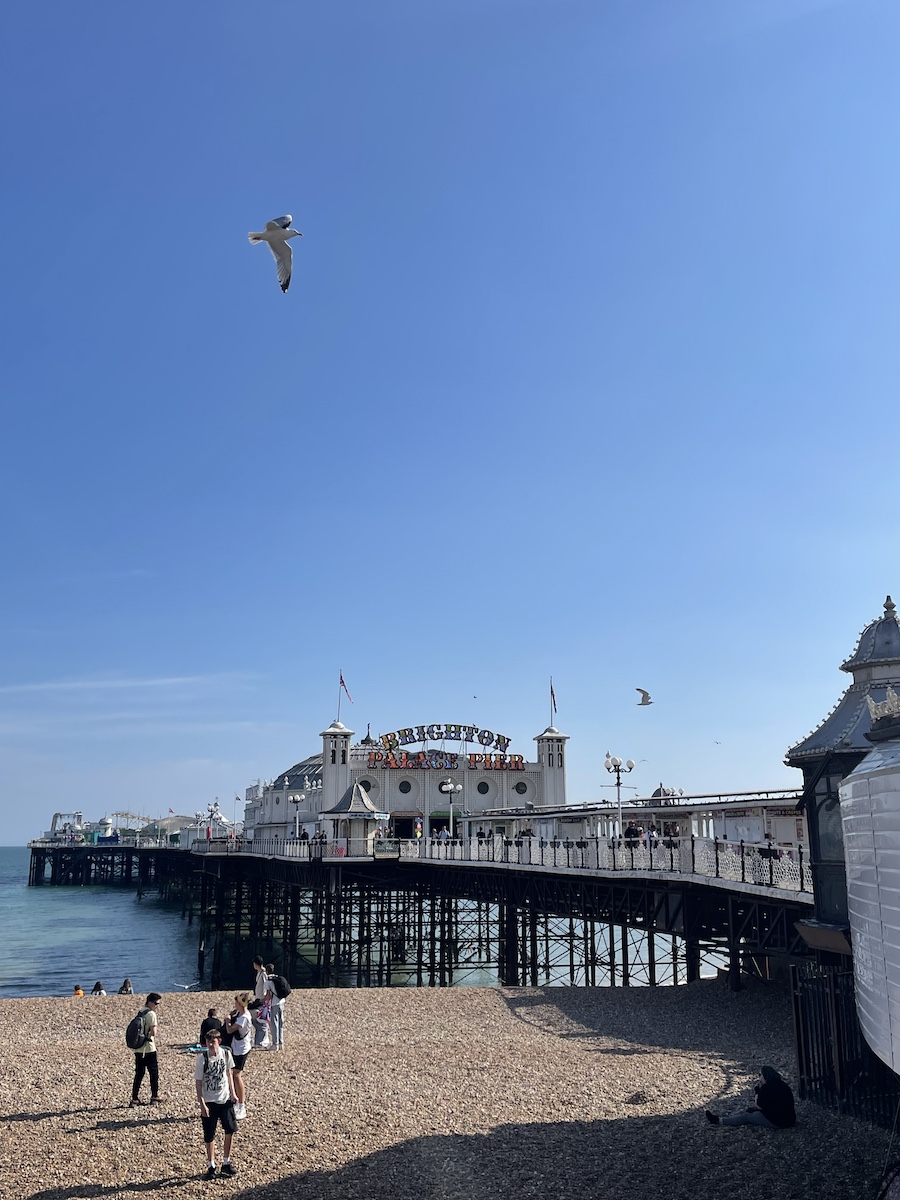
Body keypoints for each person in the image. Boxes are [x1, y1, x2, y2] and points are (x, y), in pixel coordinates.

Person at [194, 1027, 238, 1179]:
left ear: (218, 1041)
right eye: (208, 1042)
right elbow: (198, 1084)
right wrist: (202, 1104)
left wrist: (233, 1094)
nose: (210, 1045)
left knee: (230, 1130)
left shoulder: (226, 1054)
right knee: (209, 1135)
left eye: (213, 1042)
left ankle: (226, 1162)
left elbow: (229, 1075)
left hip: (225, 1099)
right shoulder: (202, 1059)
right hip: (210, 1101)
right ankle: (211, 1165)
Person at [706, 1066, 797, 1128]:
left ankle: (719, 1121)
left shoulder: (766, 1088)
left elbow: (759, 1105)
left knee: (746, 1116)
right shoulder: (783, 1085)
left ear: (765, 1076)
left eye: (760, 1075)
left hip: (778, 1122)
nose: (759, 1077)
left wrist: (757, 1093)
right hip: (790, 1119)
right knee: (753, 1111)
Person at [130, 992, 163, 1108]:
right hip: (149, 1048)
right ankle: (154, 1096)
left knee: (139, 1074)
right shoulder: (151, 1014)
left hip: (138, 1048)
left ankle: (134, 1098)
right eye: (156, 1003)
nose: (157, 1006)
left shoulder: (141, 1011)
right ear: (150, 1002)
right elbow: (154, 1032)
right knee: (153, 1073)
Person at [223, 993, 252, 1119]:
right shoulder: (240, 1014)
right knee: (233, 1074)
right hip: (237, 1047)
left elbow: (230, 1030)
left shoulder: (243, 1018)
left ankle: (241, 1105)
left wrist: (227, 1021)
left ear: (240, 1004)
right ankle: (235, 1101)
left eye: (236, 1003)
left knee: (236, 1075)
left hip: (241, 1049)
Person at [250, 956, 273, 1048]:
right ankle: (261, 1039)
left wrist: (264, 999)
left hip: (261, 999)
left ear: (256, 964)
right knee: (259, 1017)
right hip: (258, 997)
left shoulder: (263, 973)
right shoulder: (259, 972)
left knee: (261, 1018)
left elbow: (266, 985)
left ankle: (262, 1040)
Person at [265, 963, 287, 1051]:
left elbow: (268, 995)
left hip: (274, 1003)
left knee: (274, 1023)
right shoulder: (278, 978)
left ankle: (275, 1044)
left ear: (266, 971)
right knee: (281, 1022)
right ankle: (281, 1043)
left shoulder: (268, 981)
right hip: (282, 1001)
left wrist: (262, 1001)